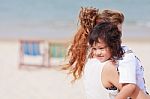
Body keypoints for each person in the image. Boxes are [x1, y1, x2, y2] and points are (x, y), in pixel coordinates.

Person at [63, 7, 148, 98]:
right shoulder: (116, 61)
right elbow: (131, 88)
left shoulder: (91, 58)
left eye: (119, 33)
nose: (118, 38)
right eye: (116, 33)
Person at [88, 21, 150, 99]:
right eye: (94, 49)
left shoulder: (125, 57)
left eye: (101, 48)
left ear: (112, 46)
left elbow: (130, 86)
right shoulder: (105, 64)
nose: (97, 53)